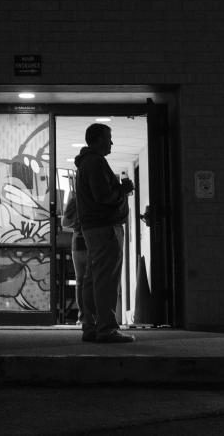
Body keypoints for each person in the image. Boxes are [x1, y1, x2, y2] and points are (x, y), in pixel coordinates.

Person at [74, 123, 136, 344]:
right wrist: (123, 190)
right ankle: (107, 329)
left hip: (91, 228)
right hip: (105, 227)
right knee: (106, 279)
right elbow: (103, 196)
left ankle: (89, 326)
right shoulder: (97, 162)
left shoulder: (84, 164)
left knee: (92, 278)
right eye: (108, 138)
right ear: (98, 139)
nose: (111, 142)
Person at [60, 186, 90, 333]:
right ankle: (91, 317)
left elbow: (65, 222)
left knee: (81, 281)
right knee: (92, 281)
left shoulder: (75, 200)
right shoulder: (96, 197)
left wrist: (76, 222)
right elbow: (65, 222)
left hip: (79, 242)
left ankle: (84, 317)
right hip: (92, 242)